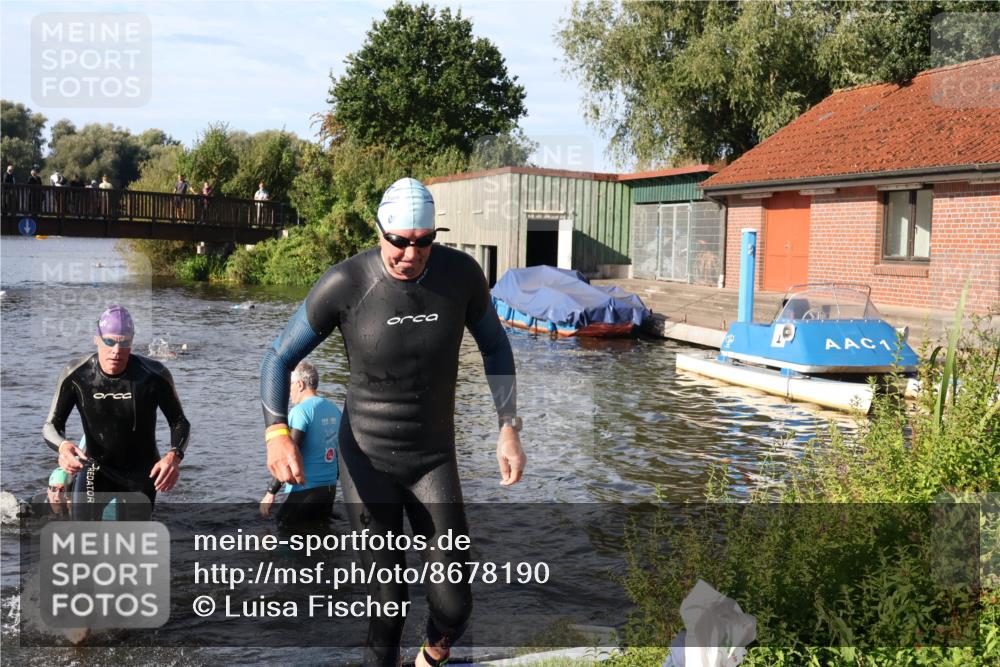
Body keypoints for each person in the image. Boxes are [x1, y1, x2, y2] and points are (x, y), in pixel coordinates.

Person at [260, 177, 525, 666]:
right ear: (379, 231)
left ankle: (429, 658)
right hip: (366, 461)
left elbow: (495, 346)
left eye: (424, 242)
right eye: (399, 241)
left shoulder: (461, 276)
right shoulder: (346, 283)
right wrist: (277, 433)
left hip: (432, 459)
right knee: (388, 605)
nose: (411, 253)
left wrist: (507, 425)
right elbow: (278, 358)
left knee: (454, 603)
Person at [43, 306, 190, 520]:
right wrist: (63, 447)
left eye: (124, 343)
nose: (116, 350)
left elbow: (179, 422)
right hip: (95, 467)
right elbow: (51, 426)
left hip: (141, 471)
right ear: (97, 338)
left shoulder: (154, 375)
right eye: (110, 341)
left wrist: (173, 456)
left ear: (132, 341)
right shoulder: (77, 374)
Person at [259, 361, 341, 525]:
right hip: (329, 491)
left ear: (300, 384)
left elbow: (288, 457)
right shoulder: (334, 409)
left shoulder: (300, 411)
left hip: (304, 492)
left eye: (290, 385)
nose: (289, 392)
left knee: (282, 536)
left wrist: (270, 492)